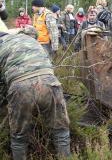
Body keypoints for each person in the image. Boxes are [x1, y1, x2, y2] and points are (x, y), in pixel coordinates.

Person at [0, 26, 70, 160]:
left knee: (19, 137)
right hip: (50, 82)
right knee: (61, 132)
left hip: (21, 87)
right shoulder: (30, 40)